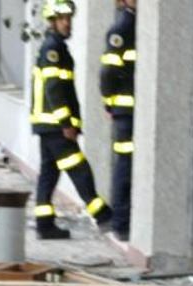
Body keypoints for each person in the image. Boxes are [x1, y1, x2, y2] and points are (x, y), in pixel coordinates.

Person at [30, 0, 112, 240]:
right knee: (79, 169)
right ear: (52, 21)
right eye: (63, 19)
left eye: (69, 18)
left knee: (49, 174)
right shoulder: (53, 49)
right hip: (56, 126)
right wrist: (67, 123)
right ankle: (103, 216)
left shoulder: (52, 47)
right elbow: (54, 89)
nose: (68, 23)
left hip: (47, 125)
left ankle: (44, 225)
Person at [99, 0, 137, 241]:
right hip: (125, 112)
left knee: (128, 165)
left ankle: (124, 221)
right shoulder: (122, 28)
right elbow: (108, 71)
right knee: (124, 166)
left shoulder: (135, 25)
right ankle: (121, 224)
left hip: (131, 111)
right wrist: (109, 102)